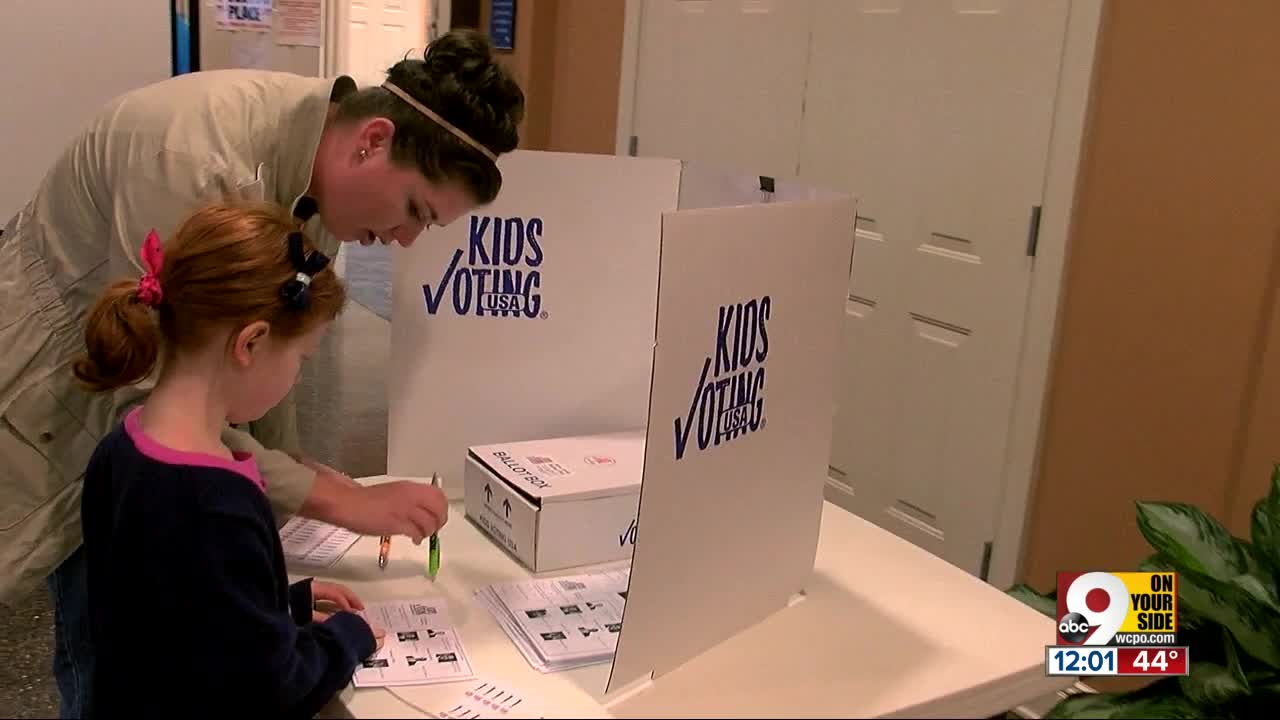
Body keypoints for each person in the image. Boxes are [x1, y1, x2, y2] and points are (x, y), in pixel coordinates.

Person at [0, 28, 523, 718]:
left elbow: (254, 370)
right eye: (415, 211)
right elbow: (181, 384)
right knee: (95, 639)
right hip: (55, 385)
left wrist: (288, 540)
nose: (404, 241)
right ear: (371, 140)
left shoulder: (321, 178)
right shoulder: (192, 159)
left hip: (131, 428)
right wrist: (334, 501)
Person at [75, 200, 384, 717]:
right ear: (252, 342)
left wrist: (282, 605)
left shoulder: (123, 446)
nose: (298, 378)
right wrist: (347, 639)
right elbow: (273, 684)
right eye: (300, 359)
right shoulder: (217, 500)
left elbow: (176, 612)